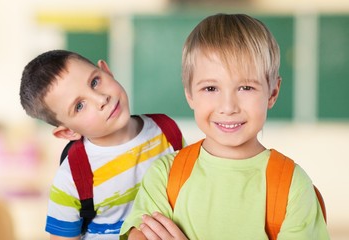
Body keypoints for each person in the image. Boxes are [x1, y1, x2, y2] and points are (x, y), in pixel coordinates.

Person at [119, 13, 330, 239]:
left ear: (273, 92)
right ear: (190, 94)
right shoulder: (165, 175)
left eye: (246, 88)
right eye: (211, 88)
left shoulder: (291, 186)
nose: (228, 107)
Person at [19, 50, 185, 240]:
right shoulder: (71, 178)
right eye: (79, 106)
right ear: (68, 132)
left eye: (95, 82)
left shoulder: (167, 130)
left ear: (106, 70)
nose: (101, 99)